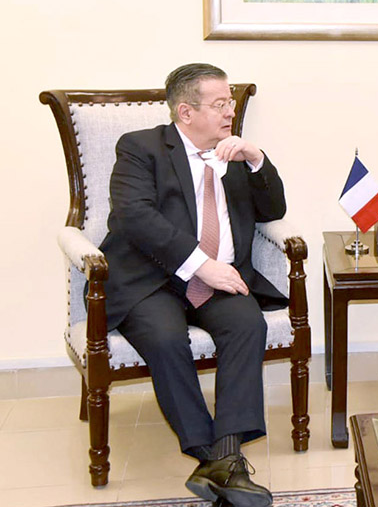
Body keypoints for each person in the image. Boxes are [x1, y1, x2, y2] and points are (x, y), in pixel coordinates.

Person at [100, 63, 288, 507]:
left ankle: (221, 460)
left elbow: (274, 210)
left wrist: (257, 159)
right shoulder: (140, 148)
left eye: (231, 102)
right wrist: (200, 264)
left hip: (221, 278)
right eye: (220, 104)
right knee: (165, 338)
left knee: (248, 326)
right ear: (185, 112)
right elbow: (134, 217)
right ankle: (217, 457)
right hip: (153, 280)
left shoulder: (234, 153)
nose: (230, 112)